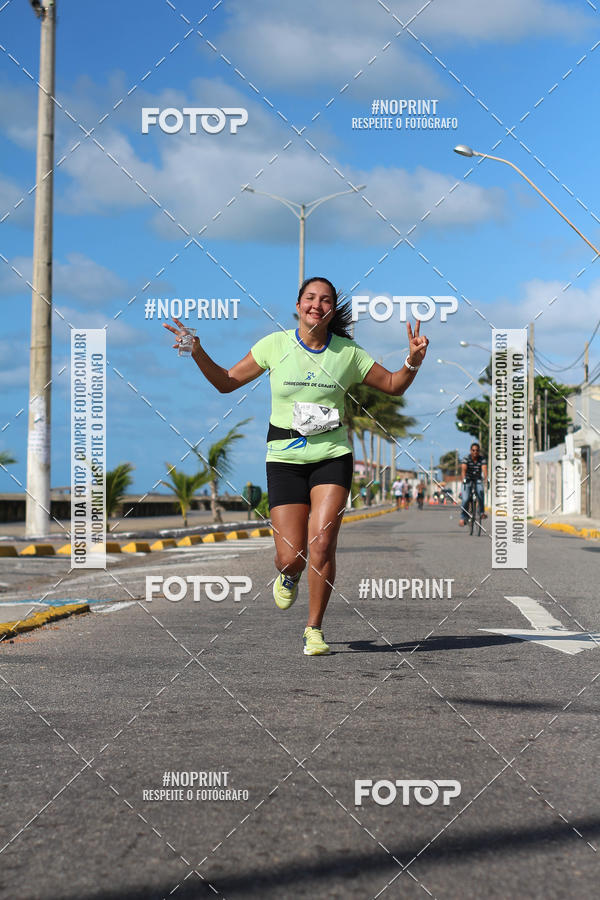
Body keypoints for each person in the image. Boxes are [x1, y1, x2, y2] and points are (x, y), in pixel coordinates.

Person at [164, 277, 429, 655]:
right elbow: (225, 382)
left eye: (324, 301)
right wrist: (197, 352)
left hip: (331, 456)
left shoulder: (347, 353)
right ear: (298, 305)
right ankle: (289, 574)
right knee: (291, 556)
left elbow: (392, 384)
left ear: (332, 310)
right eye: (310, 298)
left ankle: (314, 629)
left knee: (321, 543)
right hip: (285, 459)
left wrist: (411, 362)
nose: (316, 306)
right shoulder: (275, 344)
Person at [459, 442, 488, 526]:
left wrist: (486, 480)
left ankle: (481, 512)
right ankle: (463, 517)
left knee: (481, 492)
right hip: (467, 479)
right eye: (473, 450)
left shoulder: (482, 459)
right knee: (465, 499)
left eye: (477, 450)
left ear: (479, 451)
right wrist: (464, 480)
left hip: (478, 479)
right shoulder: (466, 458)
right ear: (470, 450)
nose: (475, 452)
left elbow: (484, 470)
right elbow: (463, 470)